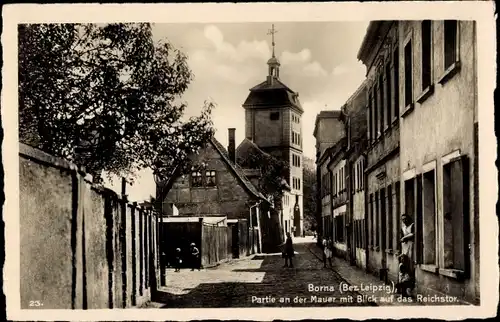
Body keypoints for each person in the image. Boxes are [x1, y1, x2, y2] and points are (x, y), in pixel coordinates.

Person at [399, 214, 415, 294]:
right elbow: (401, 236)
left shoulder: (412, 225)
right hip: (404, 246)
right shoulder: (403, 228)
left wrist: (405, 237)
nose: (404, 221)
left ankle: (410, 287)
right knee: (403, 263)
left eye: (405, 219)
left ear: (408, 219)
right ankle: (403, 286)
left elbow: (413, 234)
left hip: (410, 245)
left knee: (410, 264)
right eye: (403, 219)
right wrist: (402, 239)